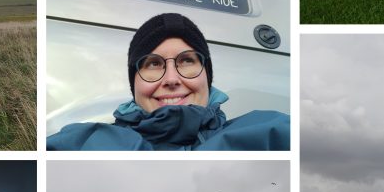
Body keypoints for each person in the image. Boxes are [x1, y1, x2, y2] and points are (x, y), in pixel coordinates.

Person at [46, 12, 289, 151]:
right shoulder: (83, 142)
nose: (172, 79)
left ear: (207, 75)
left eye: (187, 61)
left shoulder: (271, 130)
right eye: (153, 64)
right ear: (135, 83)